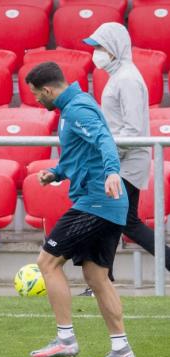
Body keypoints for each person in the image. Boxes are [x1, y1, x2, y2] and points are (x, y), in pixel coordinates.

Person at [25, 61, 135, 357]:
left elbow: (104, 140)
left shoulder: (76, 109)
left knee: (47, 262)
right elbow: (80, 154)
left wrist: (113, 172)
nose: (36, 100)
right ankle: (121, 349)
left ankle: (65, 339)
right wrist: (57, 172)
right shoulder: (72, 107)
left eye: (36, 94)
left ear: (48, 90)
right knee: (96, 276)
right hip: (109, 203)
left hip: (97, 202)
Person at [77, 22, 170, 297]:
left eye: (100, 46)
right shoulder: (119, 76)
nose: (95, 52)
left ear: (115, 48)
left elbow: (132, 129)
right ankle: (102, 280)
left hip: (127, 162)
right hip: (122, 160)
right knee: (115, 219)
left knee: (125, 221)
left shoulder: (127, 79)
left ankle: (101, 281)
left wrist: (109, 158)